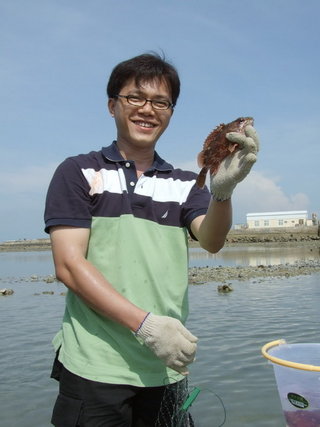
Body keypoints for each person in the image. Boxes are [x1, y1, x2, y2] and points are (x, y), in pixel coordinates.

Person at [44, 52, 259, 426]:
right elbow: (69, 265)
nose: (148, 109)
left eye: (160, 102)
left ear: (171, 112)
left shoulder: (184, 183)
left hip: (166, 365)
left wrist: (222, 193)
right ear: (112, 105)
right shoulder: (78, 171)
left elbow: (212, 240)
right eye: (135, 98)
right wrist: (146, 325)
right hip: (95, 366)